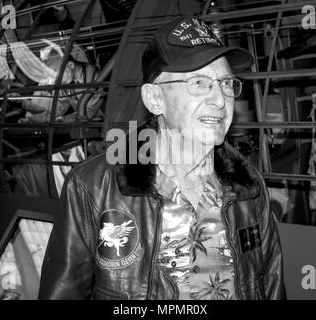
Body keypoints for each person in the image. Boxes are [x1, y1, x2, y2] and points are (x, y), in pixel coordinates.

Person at [38, 15, 286, 300]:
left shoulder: (248, 188)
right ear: (155, 99)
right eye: (199, 82)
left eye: (226, 84)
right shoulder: (93, 188)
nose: (220, 100)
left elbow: (272, 285)